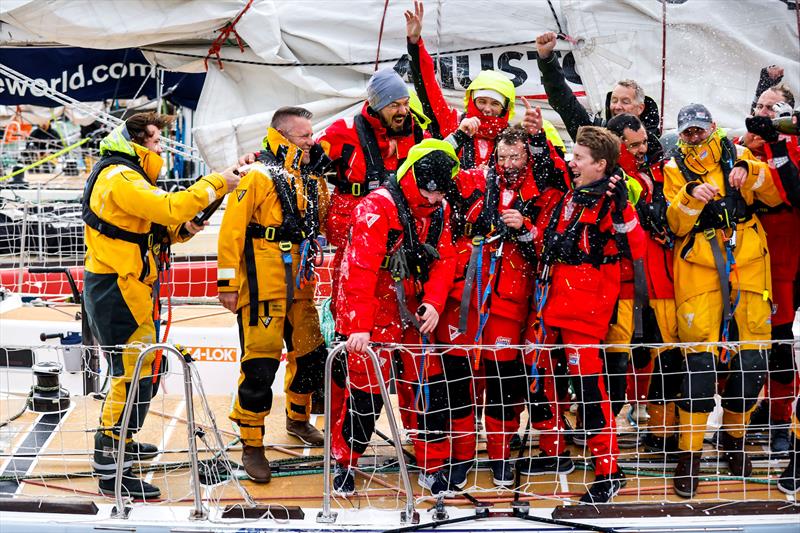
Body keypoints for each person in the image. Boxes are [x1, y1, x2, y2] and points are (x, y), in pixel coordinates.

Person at [85, 112, 239, 498]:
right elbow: (170, 207)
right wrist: (219, 180)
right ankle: (110, 466)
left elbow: (159, 227)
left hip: (132, 286)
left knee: (144, 368)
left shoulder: (129, 177)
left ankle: (123, 438)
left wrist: (184, 229)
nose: (161, 149)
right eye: (156, 142)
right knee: (130, 372)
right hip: (116, 287)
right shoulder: (119, 178)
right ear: (138, 143)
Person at [433, 120, 567, 489]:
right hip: (466, 298)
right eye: (502, 155)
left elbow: (551, 243)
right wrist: (459, 135)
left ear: (528, 156)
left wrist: (525, 230)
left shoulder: (543, 192)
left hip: (510, 302)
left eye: (515, 156)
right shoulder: (471, 180)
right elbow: (435, 166)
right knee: (458, 383)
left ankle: (500, 457)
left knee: (504, 386)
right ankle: (460, 458)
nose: (507, 163)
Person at [663, 103, 784, 498]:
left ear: (713, 127)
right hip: (698, 266)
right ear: (681, 135)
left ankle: (733, 437)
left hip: (748, 261)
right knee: (698, 365)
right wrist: (690, 196)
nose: (695, 136)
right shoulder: (673, 168)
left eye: (700, 129)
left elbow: (772, 191)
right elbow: (675, 223)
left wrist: (750, 173)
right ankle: (690, 453)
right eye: (688, 132)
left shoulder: (739, 154)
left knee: (753, 361)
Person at [522, 126, 644, 503]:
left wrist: (623, 205)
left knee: (592, 395)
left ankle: (609, 472)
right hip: (556, 304)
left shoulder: (611, 200)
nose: (572, 163)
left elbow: (634, 245)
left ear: (601, 165)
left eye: (579, 158)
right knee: (549, 383)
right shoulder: (574, 196)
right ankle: (557, 451)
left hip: (585, 311)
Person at [330, 139, 458, 496]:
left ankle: (432, 464)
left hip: (416, 312)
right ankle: (345, 461)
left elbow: (446, 258)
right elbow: (360, 269)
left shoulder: (440, 208)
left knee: (425, 391)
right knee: (365, 395)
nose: (434, 200)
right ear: (413, 177)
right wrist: (358, 327)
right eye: (430, 192)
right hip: (373, 310)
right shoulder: (376, 208)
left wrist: (433, 301)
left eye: (440, 194)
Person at [217, 106, 330, 483]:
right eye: (304, 136)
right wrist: (227, 285)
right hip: (262, 287)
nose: (311, 142)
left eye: (312, 135)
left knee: (312, 357)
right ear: (282, 136)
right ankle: (252, 443)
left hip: (301, 284)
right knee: (260, 368)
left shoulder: (313, 180)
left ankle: (298, 420)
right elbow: (230, 231)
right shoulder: (256, 175)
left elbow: (327, 217)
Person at [603, 113, 681, 453]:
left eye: (644, 142)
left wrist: (660, 208)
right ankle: (603, 437)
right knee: (615, 363)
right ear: (617, 144)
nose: (641, 149)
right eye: (632, 144)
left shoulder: (660, 171)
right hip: (622, 282)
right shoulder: (608, 178)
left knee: (667, 360)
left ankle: (662, 435)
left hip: (661, 279)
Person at [737, 82, 800, 453]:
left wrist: (771, 146)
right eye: (760, 105)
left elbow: (791, 188)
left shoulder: (791, 147)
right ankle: (762, 408)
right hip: (753, 259)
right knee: (754, 343)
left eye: (772, 109)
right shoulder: (744, 143)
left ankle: (780, 420)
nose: (763, 113)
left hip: (788, 260)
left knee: (779, 344)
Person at [534, 31, 663, 163]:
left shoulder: (656, 145)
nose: (617, 106)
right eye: (614, 100)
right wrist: (546, 58)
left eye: (625, 101)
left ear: (640, 108)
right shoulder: (595, 133)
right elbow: (563, 100)